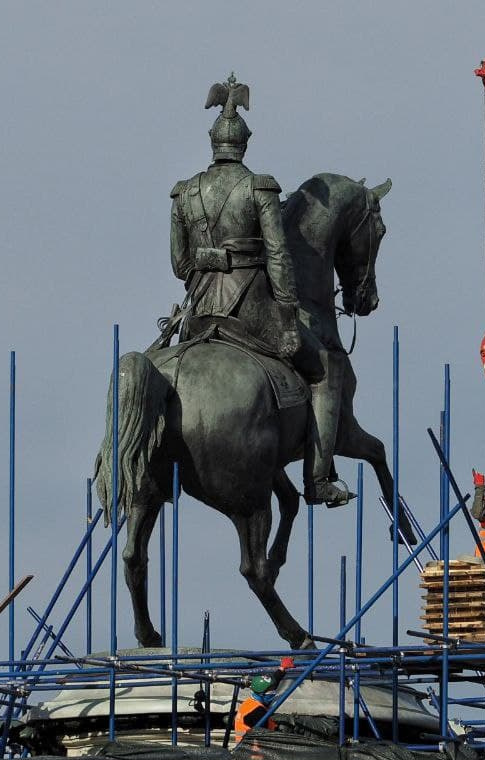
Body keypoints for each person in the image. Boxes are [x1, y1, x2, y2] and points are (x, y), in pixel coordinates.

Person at [169, 74, 354, 508]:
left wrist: (210, 259)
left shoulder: (184, 192)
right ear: (243, 145)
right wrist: (288, 317)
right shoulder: (260, 188)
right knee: (326, 370)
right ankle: (319, 479)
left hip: (197, 316)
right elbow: (278, 256)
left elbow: (180, 265)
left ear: (214, 143)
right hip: (250, 309)